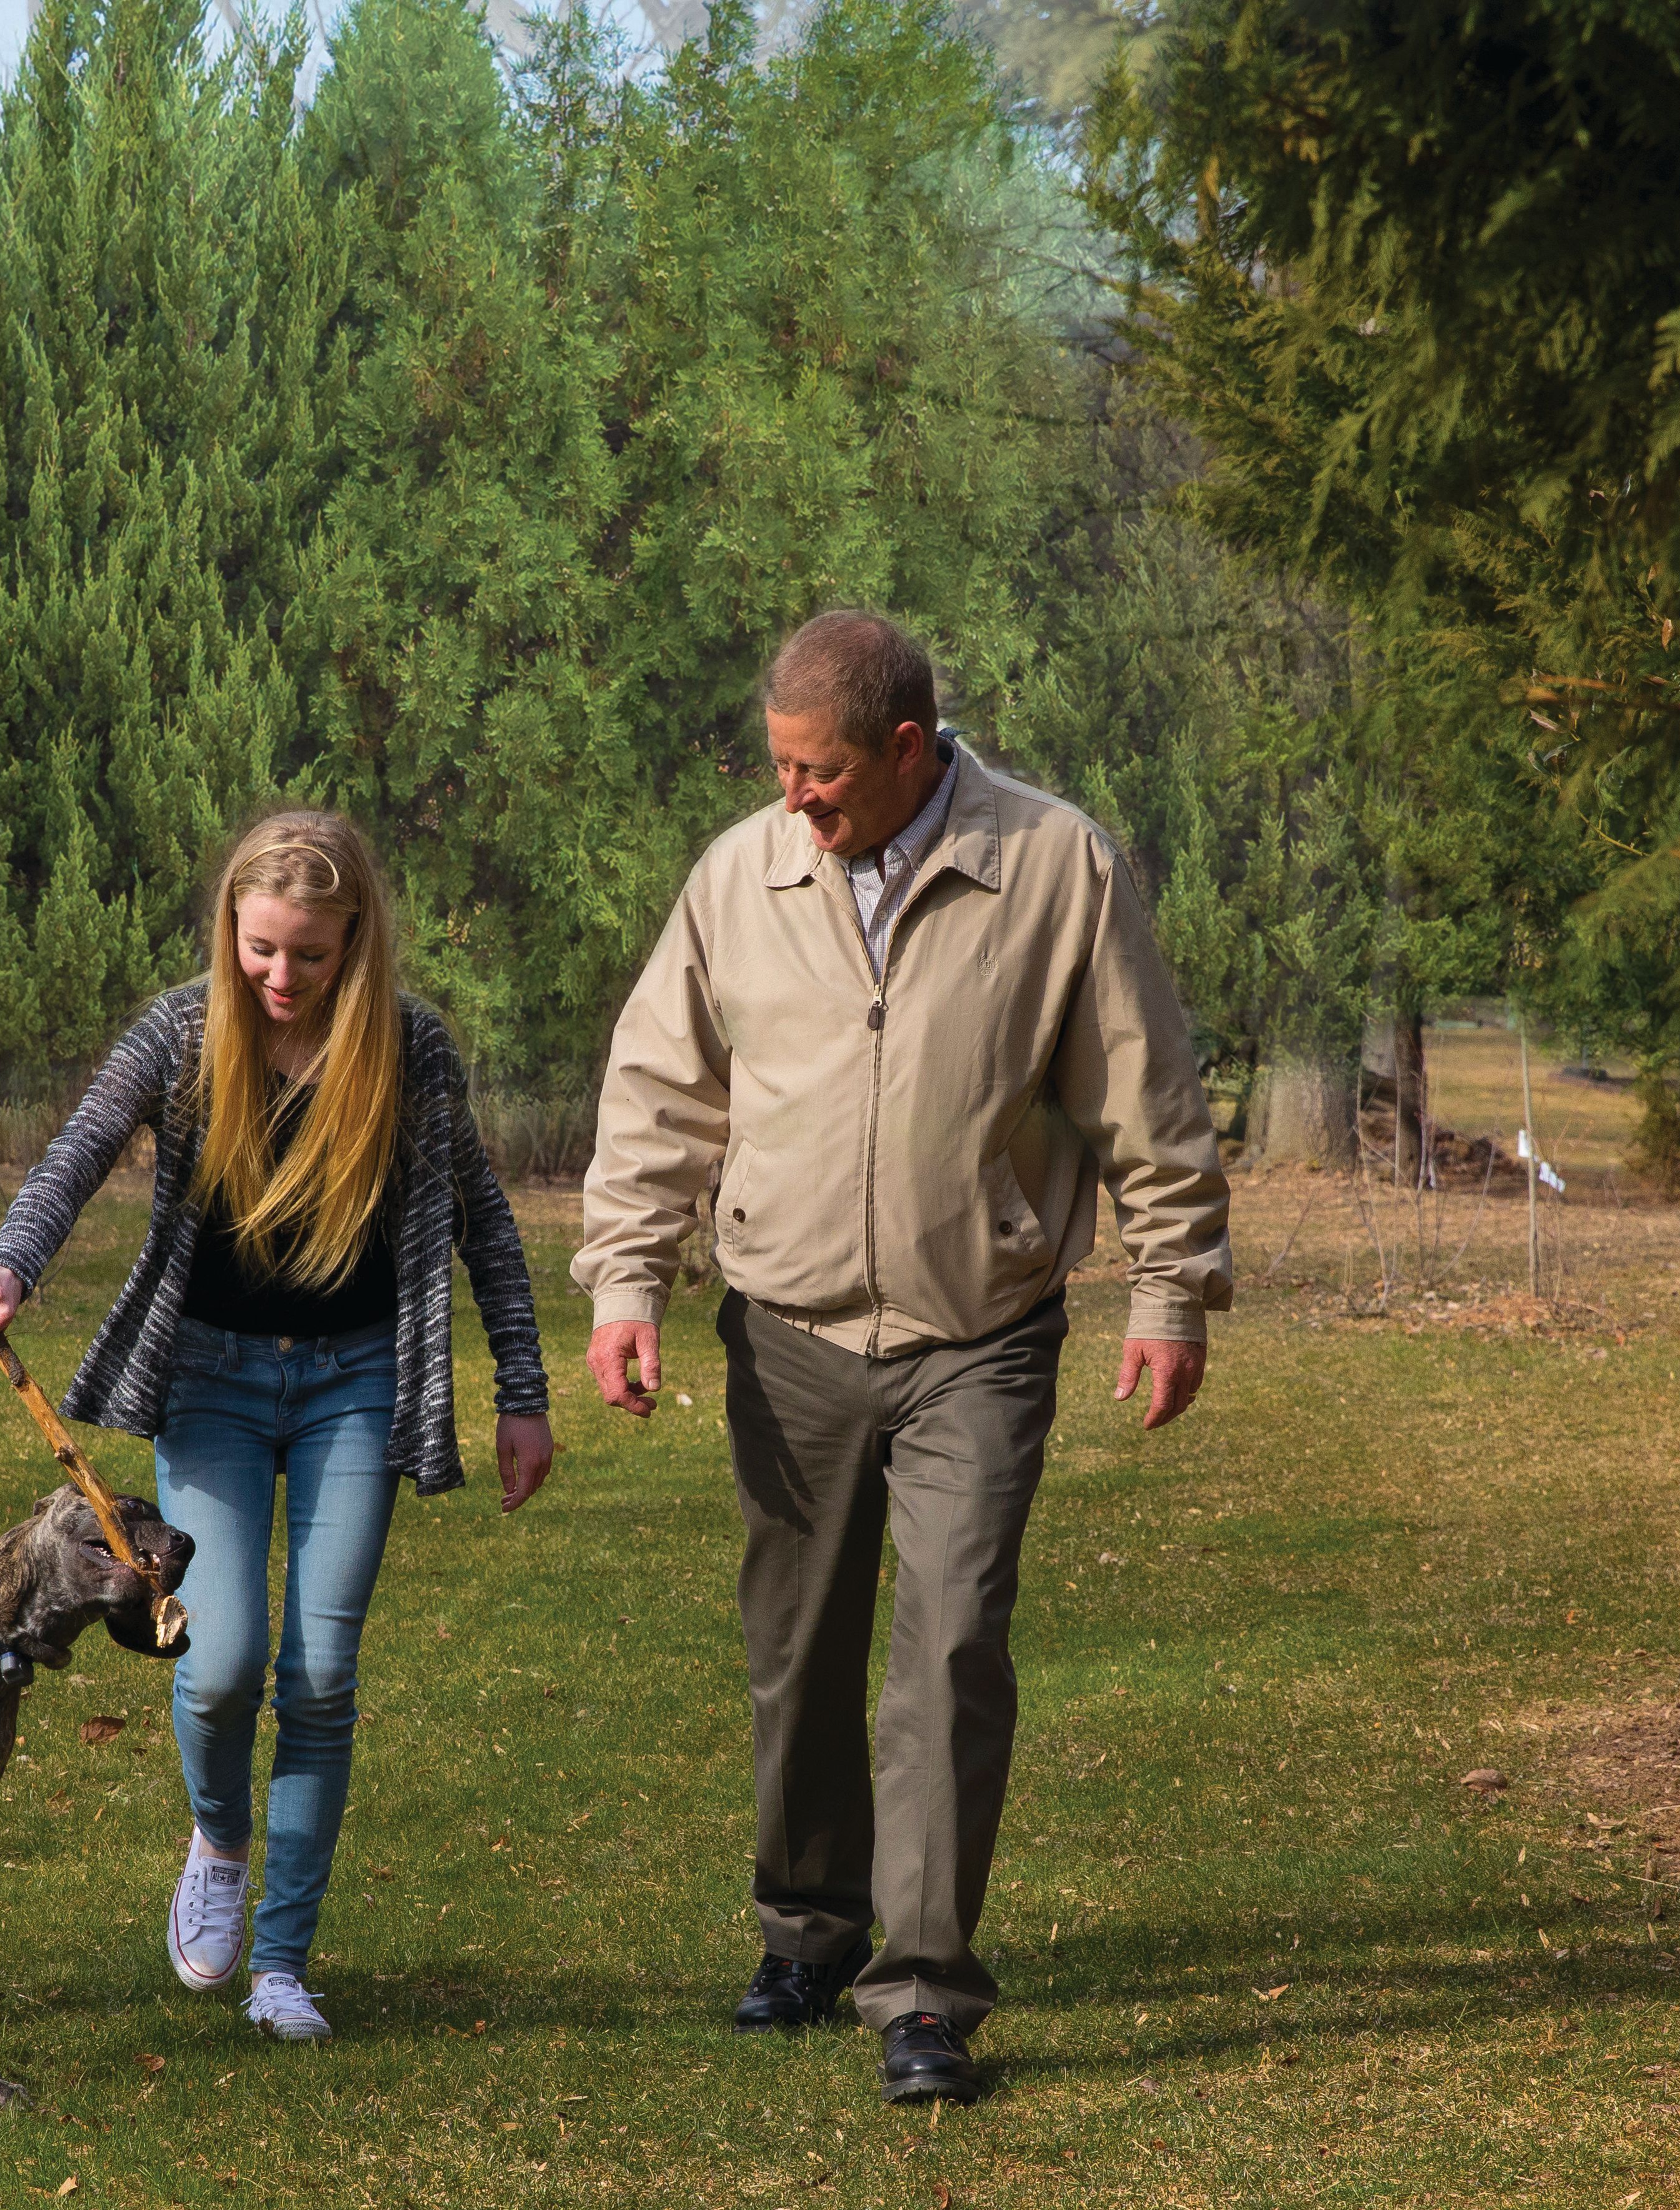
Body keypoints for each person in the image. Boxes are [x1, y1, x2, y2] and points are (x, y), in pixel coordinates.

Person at [573, 610, 1230, 2106]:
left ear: (909, 752)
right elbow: (660, 1084)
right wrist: (627, 1276)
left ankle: (922, 1991)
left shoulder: (1058, 864)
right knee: (797, 1659)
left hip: (979, 1334)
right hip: (785, 1328)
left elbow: (1145, 1088)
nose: (792, 798)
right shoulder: (741, 875)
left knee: (947, 1648)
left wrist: (1171, 1289)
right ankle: (807, 1933)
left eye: (819, 772)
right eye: (781, 769)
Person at [0, 810, 556, 2044]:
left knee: (321, 1675)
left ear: (358, 944)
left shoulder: (410, 1048)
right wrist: (14, 1263)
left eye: (310, 957)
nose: (280, 978)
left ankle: (283, 1962)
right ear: (231, 929)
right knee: (216, 1663)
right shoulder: (183, 1031)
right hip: (211, 1383)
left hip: (356, 1383)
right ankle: (221, 1838)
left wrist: (525, 1394)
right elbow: (77, 1150)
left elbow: (484, 1221)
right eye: (259, 948)